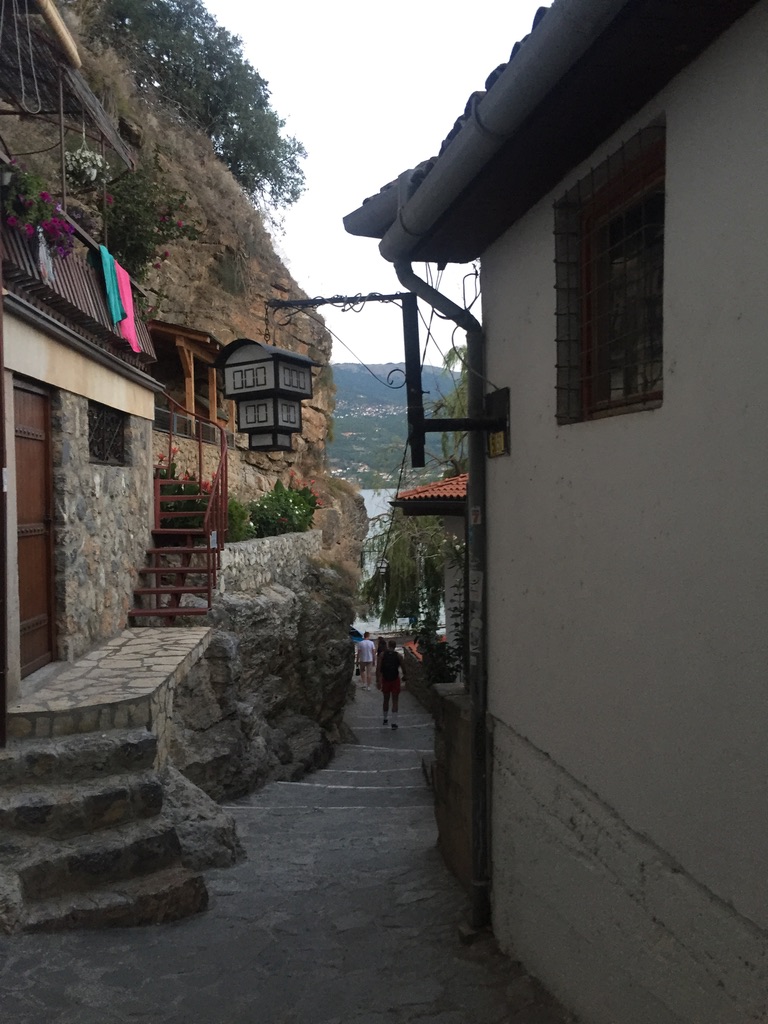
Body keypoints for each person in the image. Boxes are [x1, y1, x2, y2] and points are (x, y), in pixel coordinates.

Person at [380, 639, 406, 729]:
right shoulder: (398, 656)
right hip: (395, 679)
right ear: (395, 646)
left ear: (388, 645)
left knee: (385, 699)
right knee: (395, 700)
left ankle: (385, 719)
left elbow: (378, 668)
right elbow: (403, 667)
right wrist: (405, 676)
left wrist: (378, 680)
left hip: (385, 679)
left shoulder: (383, 655)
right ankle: (394, 722)